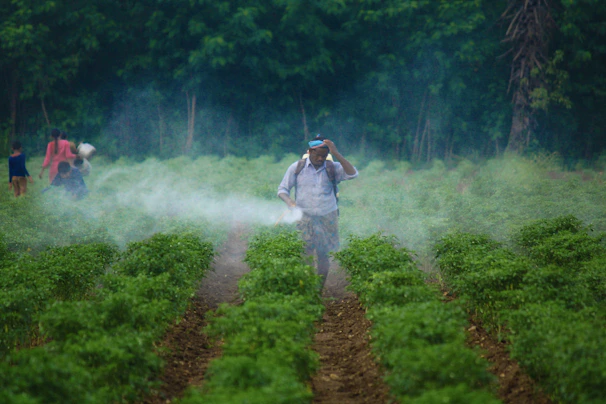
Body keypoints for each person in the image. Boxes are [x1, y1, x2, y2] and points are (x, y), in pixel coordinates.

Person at [278, 136, 358, 287]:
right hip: (304, 216)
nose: (320, 158)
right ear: (309, 152)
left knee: (323, 254)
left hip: (327, 215)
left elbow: (353, 174)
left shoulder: (333, 167)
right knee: (305, 253)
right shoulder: (297, 167)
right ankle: (306, 285)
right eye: (317, 155)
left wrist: (336, 153)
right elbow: (282, 190)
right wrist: (290, 202)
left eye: (324, 155)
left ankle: (319, 288)